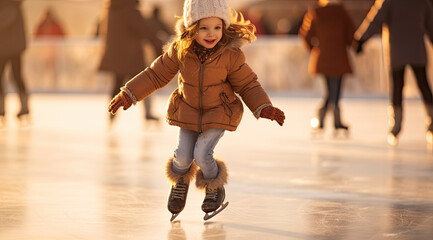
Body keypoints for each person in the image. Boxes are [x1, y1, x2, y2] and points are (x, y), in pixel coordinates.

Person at [108, 0, 285, 221]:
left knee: (202, 153)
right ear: (192, 28)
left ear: (224, 27)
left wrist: (263, 107)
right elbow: (155, 75)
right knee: (182, 157)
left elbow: (248, 84)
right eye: (204, 28)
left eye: (217, 27)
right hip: (188, 110)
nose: (212, 34)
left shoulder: (231, 55)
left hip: (219, 111)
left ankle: (214, 187)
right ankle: (180, 184)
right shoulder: (180, 50)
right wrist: (129, 93)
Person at [354, 0, 433, 145]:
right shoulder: (421, 2)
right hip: (417, 50)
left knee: (398, 87)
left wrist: (361, 39)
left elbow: (375, 21)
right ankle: (431, 120)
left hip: (397, 51)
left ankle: (396, 125)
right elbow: (431, 26)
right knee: (423, 85)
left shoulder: (390, 1)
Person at [298, 0, 355, 135]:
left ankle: (322, 118)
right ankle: (335, 120)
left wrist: (314, 48)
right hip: (339, 57)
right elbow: (350, 34)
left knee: (330, 91)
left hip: (323, 57)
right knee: (335, 91)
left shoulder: (315, 13)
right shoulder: (341, 13)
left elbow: (306, 35)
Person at [99, 0, 160, 124]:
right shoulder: (130, 10)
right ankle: (148, 113)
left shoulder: (111, 9)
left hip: (117, 56)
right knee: (144, 82)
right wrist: (158, 44)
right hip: (132, 56)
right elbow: (144, 30)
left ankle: (112, 112)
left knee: (117, 83)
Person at [0, 0, 30, 125]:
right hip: (10, 48)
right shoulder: (15, 7)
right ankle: (21, 107)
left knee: (16, 77)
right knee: (15, 77)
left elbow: (4, 21)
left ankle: (23, 107)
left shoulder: (10, 7)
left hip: (8, 49)